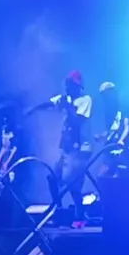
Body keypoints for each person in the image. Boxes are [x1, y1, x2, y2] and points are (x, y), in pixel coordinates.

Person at [28, 71, 93, 227]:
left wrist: (68, 107)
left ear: (77, 86)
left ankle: (79, 215)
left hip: (80, 148)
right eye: (66, 85)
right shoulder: (65, 99)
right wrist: (33, 109)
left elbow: (78, 121)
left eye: (70, 85)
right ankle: (59, 209)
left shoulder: (85, 100)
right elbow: (50, 103)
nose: (67, 88)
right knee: (52, 177)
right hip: (66, 147)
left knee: (72, 182)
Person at [96, 81, 129, 177]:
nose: (105, 100)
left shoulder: (124, 108)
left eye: (106, 96)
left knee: (121, 172)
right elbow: (111, 131)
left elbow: (127, 127)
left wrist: (121, 140)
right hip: (111, 146)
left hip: (123, 147)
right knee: (103, 173)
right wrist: (101, 136)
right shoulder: (109, 113)